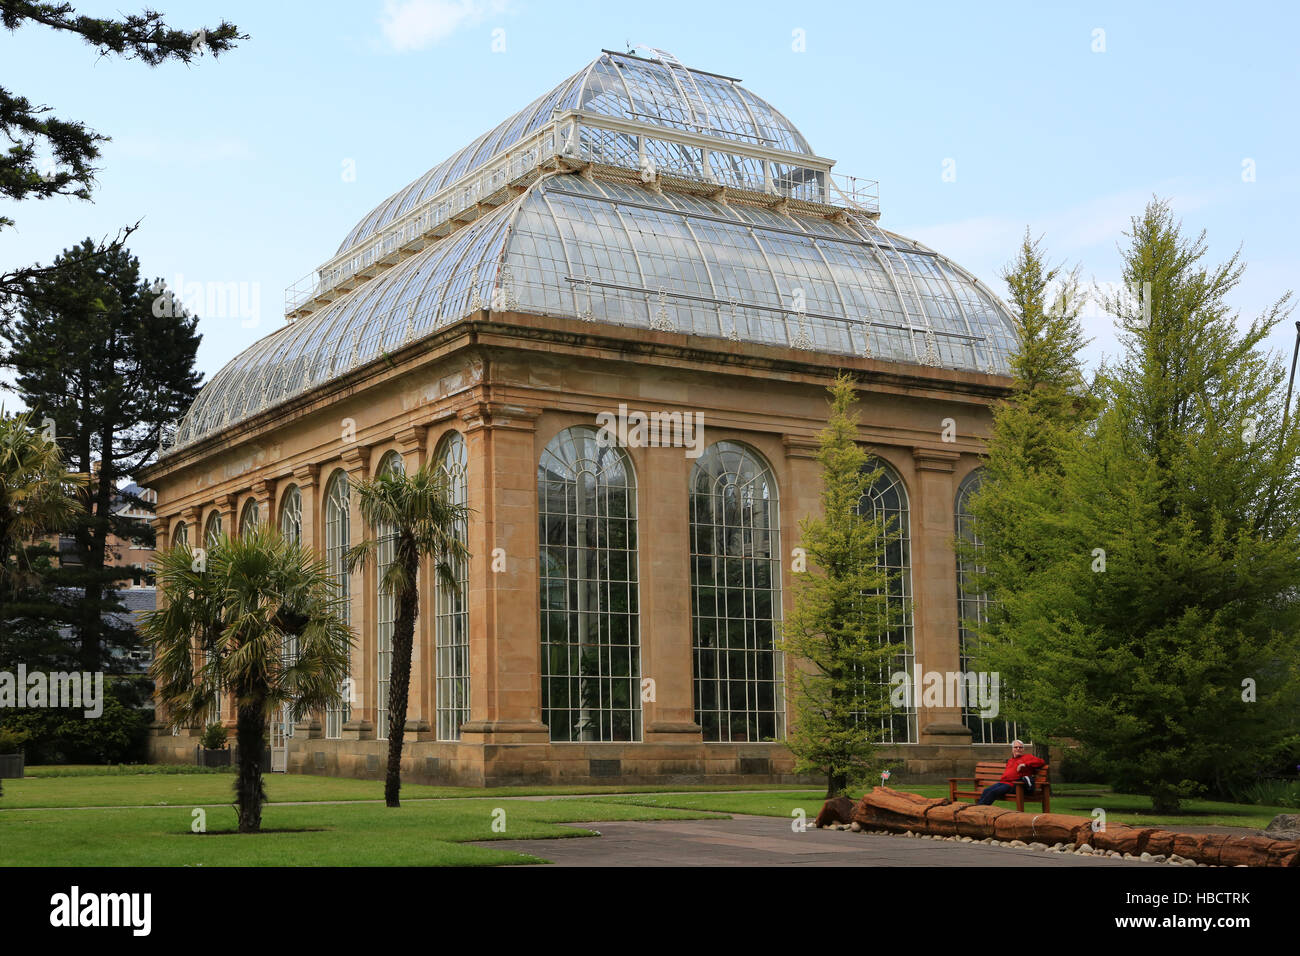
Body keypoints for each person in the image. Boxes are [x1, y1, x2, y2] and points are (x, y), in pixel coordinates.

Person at [974, 740, 1046, 805]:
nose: (1018, 749)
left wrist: (1024, 764)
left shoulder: (1028, 757)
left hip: (1013, 785)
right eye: (1016, 747)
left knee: (993, 792)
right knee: (986, 790)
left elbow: (1041, 762)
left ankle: (980, 811)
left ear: (1023, 749)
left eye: (1020, 747)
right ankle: (978, 809)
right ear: (1012, 749)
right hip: (1002, 783)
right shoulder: (1010, 760)